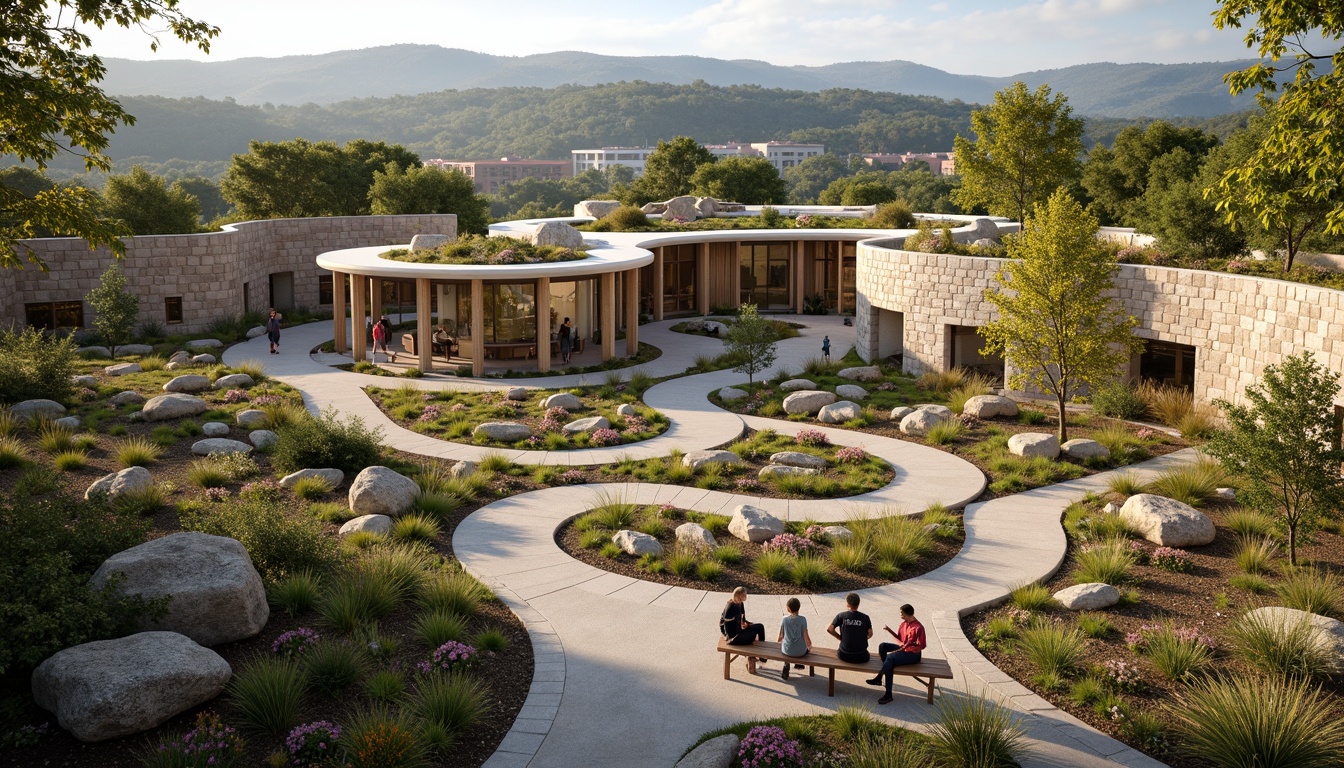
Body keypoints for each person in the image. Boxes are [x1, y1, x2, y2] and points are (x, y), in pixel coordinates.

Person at [866, 603, 927, 704]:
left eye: (902, 613)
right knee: (883, 646)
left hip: (913, 654)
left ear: (908, 614)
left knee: (890, 659)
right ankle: (881, 675)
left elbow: (922, 645)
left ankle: (888, 694)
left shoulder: (918, 627)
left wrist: (909, 648)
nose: (900, 615)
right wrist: (889, 630)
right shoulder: (904, 624)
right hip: (903, 648)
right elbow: (900, 639)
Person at [720, 586, 767, 674]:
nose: (746, 596)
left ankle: (761, 656)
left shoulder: (740, 604)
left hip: (740, 631)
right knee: (754, 634)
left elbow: (743, 619)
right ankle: (759, 656)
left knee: (760, 627)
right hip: (734, 638)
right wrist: (726, 636)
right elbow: (723, 623)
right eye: (745, 595)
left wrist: (746, 623)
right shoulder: (730, 607)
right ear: (740, 596)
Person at [827, 592, 873, 664]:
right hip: (861, 656)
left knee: (828, 625)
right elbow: (870, 634)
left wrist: (839, 637)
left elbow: (830, 629)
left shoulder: (841, 616)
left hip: (844, 655)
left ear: (847, 604)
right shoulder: (865, 617)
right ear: (858, 604)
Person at [777, 597, 812, 681]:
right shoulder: (803, 619)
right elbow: (806, 636)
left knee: (787, 643)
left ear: (788, 608)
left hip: (787, 651)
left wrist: (778, 641)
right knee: (803, 647)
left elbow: (781, 635)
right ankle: (798, 663)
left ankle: (786, 664)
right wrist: (810, 646)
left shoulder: (784, 619)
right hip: (800, 652)